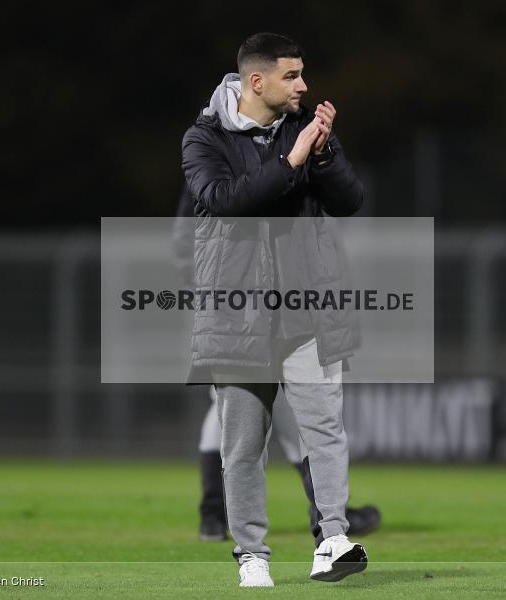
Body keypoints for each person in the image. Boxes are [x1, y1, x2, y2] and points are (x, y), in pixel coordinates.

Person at [181, 32, 368, 587]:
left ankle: (332, 538)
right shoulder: (203, 138)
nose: (304, 85)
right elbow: (225, 202)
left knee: (325, 429)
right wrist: (295, 157)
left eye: (303, 73)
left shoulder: (306, 127)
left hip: (306, 311)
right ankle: (252, 554)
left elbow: (350, 201)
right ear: (256, 81)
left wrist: (326, 151)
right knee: (243, 446)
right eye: (293, 75)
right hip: (236, 317)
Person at [173, 186, 381, 544]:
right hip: (244, 311)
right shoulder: (226, 159)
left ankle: (215, 515)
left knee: (236, 411)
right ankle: (320, 520)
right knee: (262, 417)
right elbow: (187, 242)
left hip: (266, 310)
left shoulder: (249, 162)